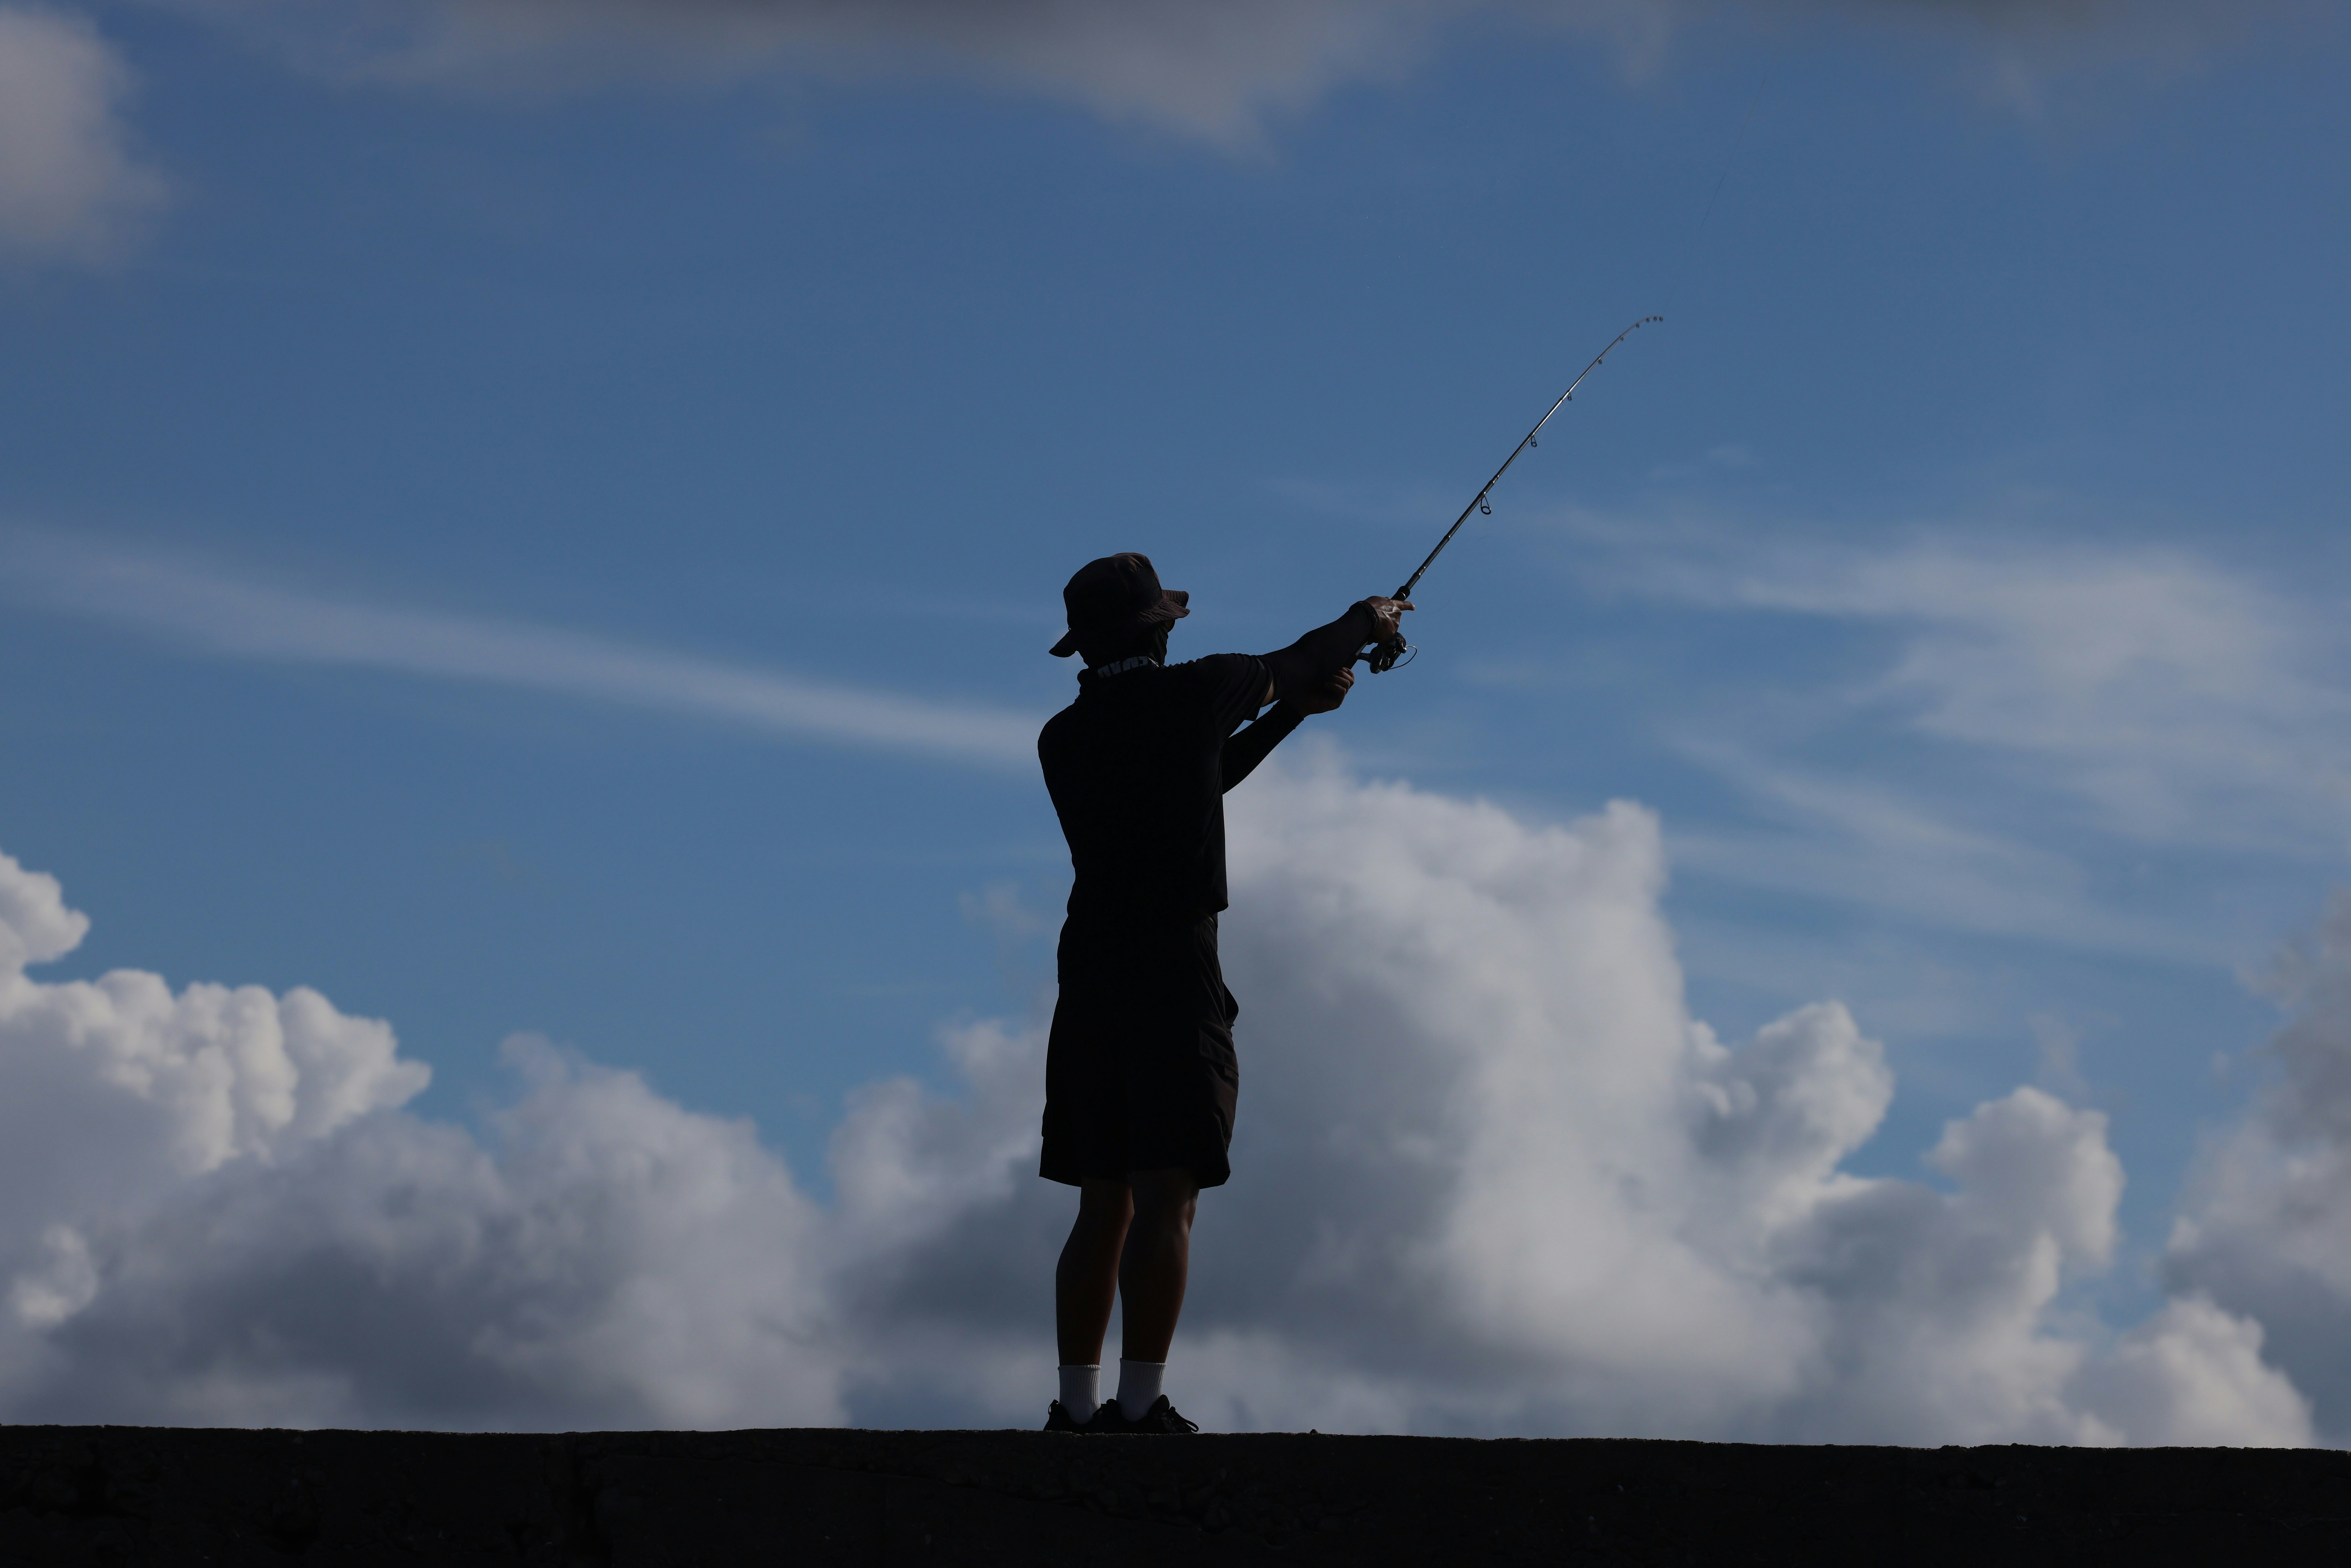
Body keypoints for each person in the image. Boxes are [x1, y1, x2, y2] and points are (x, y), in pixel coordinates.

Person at [1034, 552, 1412, 1434]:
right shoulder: (1204, 688)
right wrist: (1369, 618)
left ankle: (1076, 1412)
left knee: (1102, 1199)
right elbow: (1307, 656)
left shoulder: (1063, 737)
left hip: (1088, 967)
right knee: (1168, 1191)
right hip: (1173, 962)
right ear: (1161, 630)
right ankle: (1140, 1408)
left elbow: (1199, 774)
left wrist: (1289, 718)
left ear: (1085, 645)